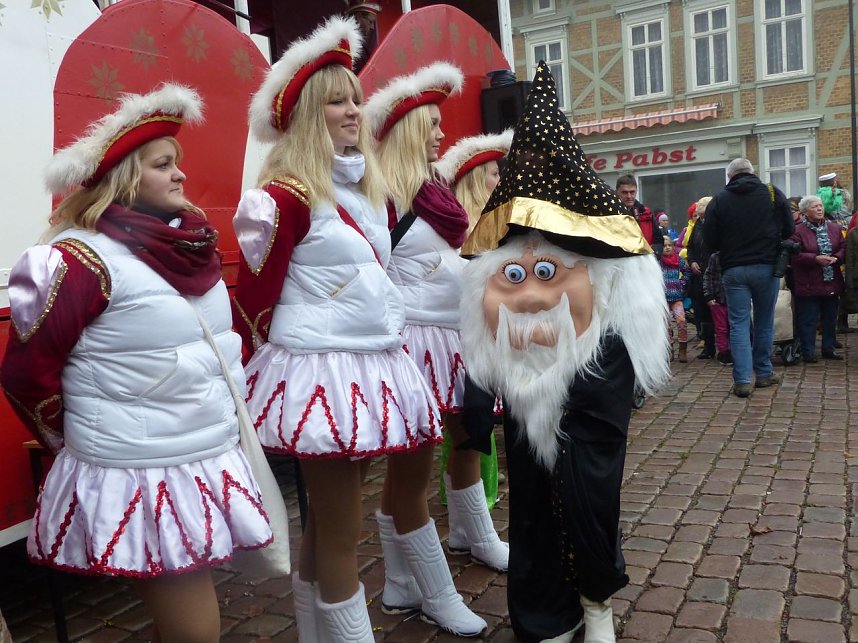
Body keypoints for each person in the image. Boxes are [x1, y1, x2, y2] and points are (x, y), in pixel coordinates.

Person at [234, 19, 483, 640]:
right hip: (321, 374)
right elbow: (255, 306)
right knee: (340, 530)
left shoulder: (370, 190)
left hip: (369, 365)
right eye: (337, 100)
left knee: (328, 526)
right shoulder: (282, 197)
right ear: (308, 114)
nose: (353, 110)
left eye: (353, 97)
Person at [0, 84, 273, 643]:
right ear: (125, 176)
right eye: (163, 164)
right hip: (136, 472)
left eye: (178, 164)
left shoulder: (187, 243)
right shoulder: (75, 260)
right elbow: (27, 376)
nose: (180, 176)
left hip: (199, 455)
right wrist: (75, 443)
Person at [461, 62, 672, 643]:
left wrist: (598, 386)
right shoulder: (501, 241)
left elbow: (630, 325)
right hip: (529, 390)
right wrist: (481, 384)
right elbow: (483, 320)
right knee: (531, 510)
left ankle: (595, 599)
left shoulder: (608, 246)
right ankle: (544, 614)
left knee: (588, 501)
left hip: (589, 392)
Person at [362, 62, 496, 635]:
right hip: (413, 349)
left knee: (463, 445)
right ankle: (431, 591)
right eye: (433, 125)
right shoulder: (383, 198)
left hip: (453, 342)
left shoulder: (433, 190)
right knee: (409, 475)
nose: (443, 134)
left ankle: (411, 575)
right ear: (409, 129)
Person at [435, 129, 515, 537]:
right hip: (464, 344)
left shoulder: (490, 223)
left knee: (470, 432)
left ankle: (470, 520)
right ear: (472, 179)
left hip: (482, 342)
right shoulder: (467, 229)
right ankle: (475, 512)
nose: (498, 182)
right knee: (469, 429)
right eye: (492, 175)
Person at [703, 158, 794, 397]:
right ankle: (764, 373)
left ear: (730, 176)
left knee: (739, 324)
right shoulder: (772, 193)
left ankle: (743, 379)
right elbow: (790, 229)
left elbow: (709, 240)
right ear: (752, 172)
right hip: (767, 267)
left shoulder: (719, 199)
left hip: (734, 270)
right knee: (764, 321)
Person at [789, 195, 846, 362]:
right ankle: (808, 351)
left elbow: (843, 246)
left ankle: (828, 348)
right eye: (815, 206)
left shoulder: (834, 228)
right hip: (809, 281)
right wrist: (815, 259)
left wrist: (837, 257)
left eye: (820, 206)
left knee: (830, 318)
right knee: (808, 319)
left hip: (831, 280)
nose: (820, 209)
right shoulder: (797, 230)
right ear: (805, 211)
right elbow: (794, 254)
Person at [685, 196, 715, 359]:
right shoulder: (698, 225)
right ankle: (708, 345)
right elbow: (690, 246)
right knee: (702, 310)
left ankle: (721, 345)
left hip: (713, 275)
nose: (701, 218)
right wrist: (692, 261)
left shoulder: (716, 224)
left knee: (714, 310)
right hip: (698, 274)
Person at [615, 173, 665, 258]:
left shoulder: (646, 213)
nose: (629, 196)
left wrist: (653, 255)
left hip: (644, 263)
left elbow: (659, 240)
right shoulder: (610, 215)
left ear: (636, 191)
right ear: (617, 192)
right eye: (624, 192)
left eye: (632, 192)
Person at [659, 236, 690, 362]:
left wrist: (681, 284)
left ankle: (682, 348)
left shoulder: (678, 260)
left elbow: (688, 272)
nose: (667, 248)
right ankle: (669, 349)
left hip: (677, 297)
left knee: (681, 321)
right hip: (663, 298)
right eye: (664, 246)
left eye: (669, 245)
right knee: (665, 325)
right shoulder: (658, 262)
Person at [703, 251, 732, 364]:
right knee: (721, 328)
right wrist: (709, 295)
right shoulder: (715, 257)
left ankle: (734, 350)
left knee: (734, 327)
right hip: (718, 299)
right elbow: (708, 276)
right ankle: (724, 351)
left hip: (733, 299)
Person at [343, 0, 381, 73]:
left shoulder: (361, 44)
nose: (372, 27)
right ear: (359, 16)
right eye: (370, 21)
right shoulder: (345, 42)